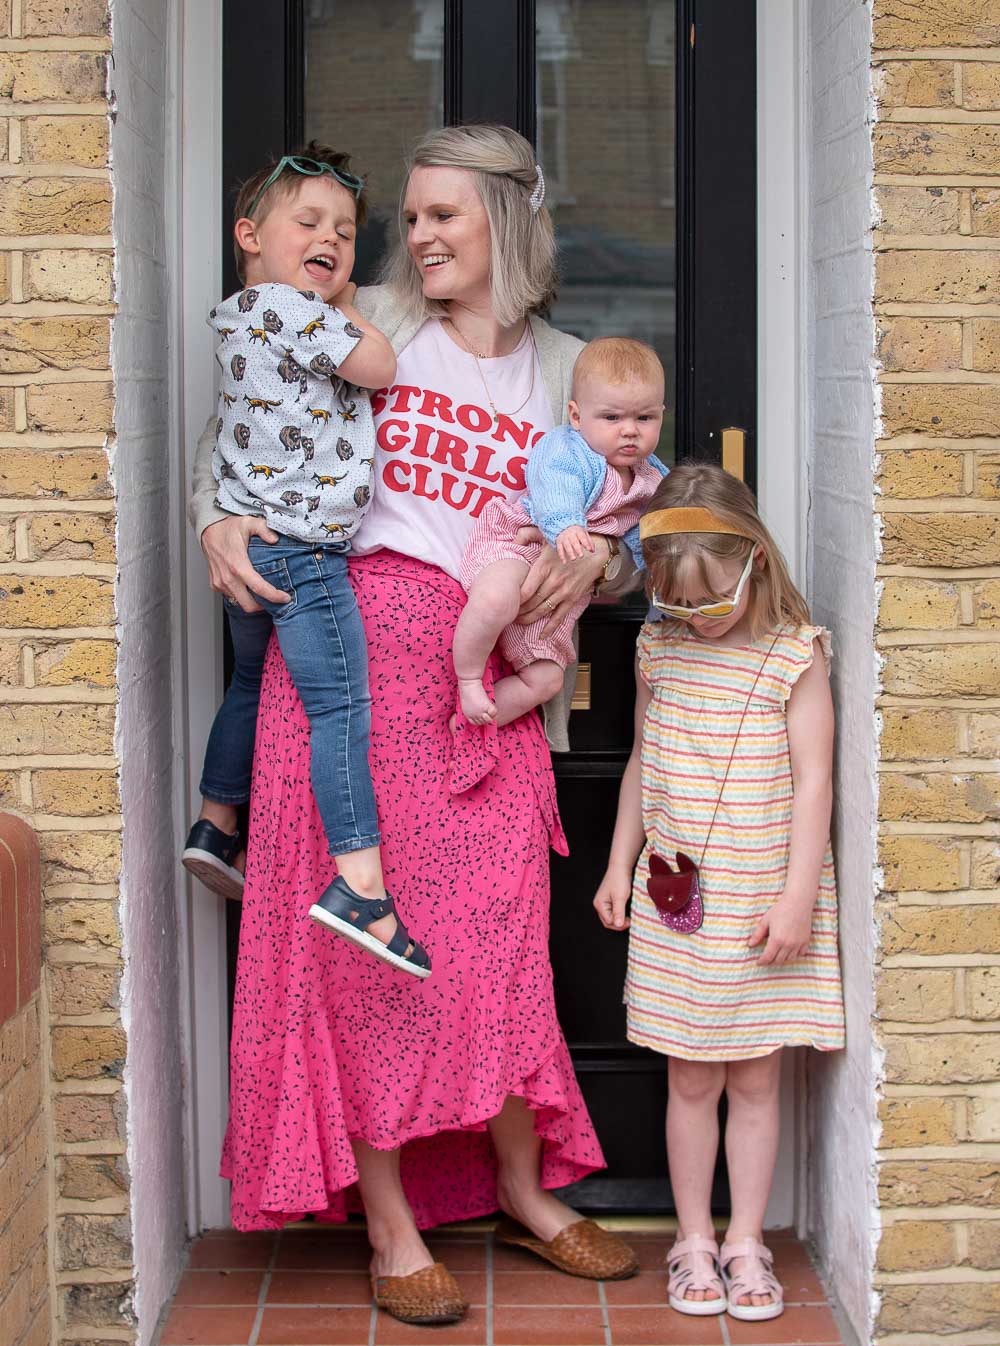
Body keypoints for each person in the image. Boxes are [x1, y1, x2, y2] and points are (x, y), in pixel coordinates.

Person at [189, 124, 638, 1326]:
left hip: (479, 691)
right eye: (413, 212)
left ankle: (519, 1182)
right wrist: (213, 519)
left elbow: (629, 513)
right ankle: (388, 1220)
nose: (418, 233)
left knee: (495, 944)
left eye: (445, 212)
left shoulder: (563, 365)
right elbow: (240, 432)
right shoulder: (368, 321)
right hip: (342, 669)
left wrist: (604, 552)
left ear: (507, 220)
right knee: (362, 955)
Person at [593, 462, 845, 1323]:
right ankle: (692, 1238)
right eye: (679, 603)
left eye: (711, 601)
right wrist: (616, 864)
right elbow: (641, 761)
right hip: (676, 904)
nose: (695, 619)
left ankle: (747, 1241)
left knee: (757, 1082)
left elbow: (815, 783)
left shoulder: (792, 654)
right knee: (690, 1081)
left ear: (756, 566)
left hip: (763, 899)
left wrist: (799, 896)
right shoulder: (657, 646)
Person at [180, 143, 435, 978]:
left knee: (251, 684)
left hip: (257, 544)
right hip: (305, 553)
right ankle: (361, 884)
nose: (331, 240)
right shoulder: (295, 310)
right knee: (341, 713)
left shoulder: (238, 311)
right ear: (249, 234)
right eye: (310, 223)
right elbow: (379, 365)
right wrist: (351, 302)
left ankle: (218, 823)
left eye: (347, 232)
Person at [453, 336, 667, 727]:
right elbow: (553, 480)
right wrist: (565, 524)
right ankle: (468, 679)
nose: (630, 431)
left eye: (644, 418)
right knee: (497, 599)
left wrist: (654, 568)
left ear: (662, 416)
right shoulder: (570, 450)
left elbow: (654, 531)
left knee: (547, 680)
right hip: (517, 546)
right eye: (613, 418)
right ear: (576, 415)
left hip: (556, 602)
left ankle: (476, 718)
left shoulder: (652, 478)